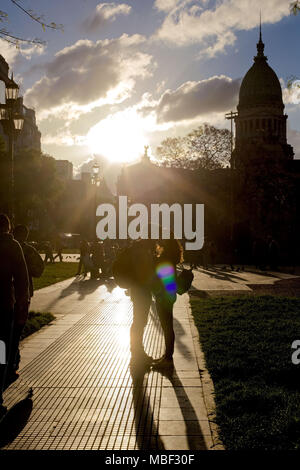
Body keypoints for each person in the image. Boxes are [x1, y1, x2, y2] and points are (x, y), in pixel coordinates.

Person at [0, 214, 29, 419]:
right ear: (8, 228)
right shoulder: (12, 246)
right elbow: (21, 279)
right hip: (3, 307)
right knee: (1, 351)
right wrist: (21, 305)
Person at [12, 224, 44, 375]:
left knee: (6, 332)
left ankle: (6, 362)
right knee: (16, 330)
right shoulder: (27, 250)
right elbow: (39, 269)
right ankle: (12, 361)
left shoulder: (19, 249)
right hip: (22, 295)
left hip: (8, 295)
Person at [151, 238, 183, 369]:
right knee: (167, 326)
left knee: (167, 327)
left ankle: (168, 359)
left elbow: (164, 278)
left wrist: (159, 294)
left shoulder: (165, 259)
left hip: (164, 297)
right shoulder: (170, 258)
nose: (158, 242)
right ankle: (167, 356)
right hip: (168, 296)